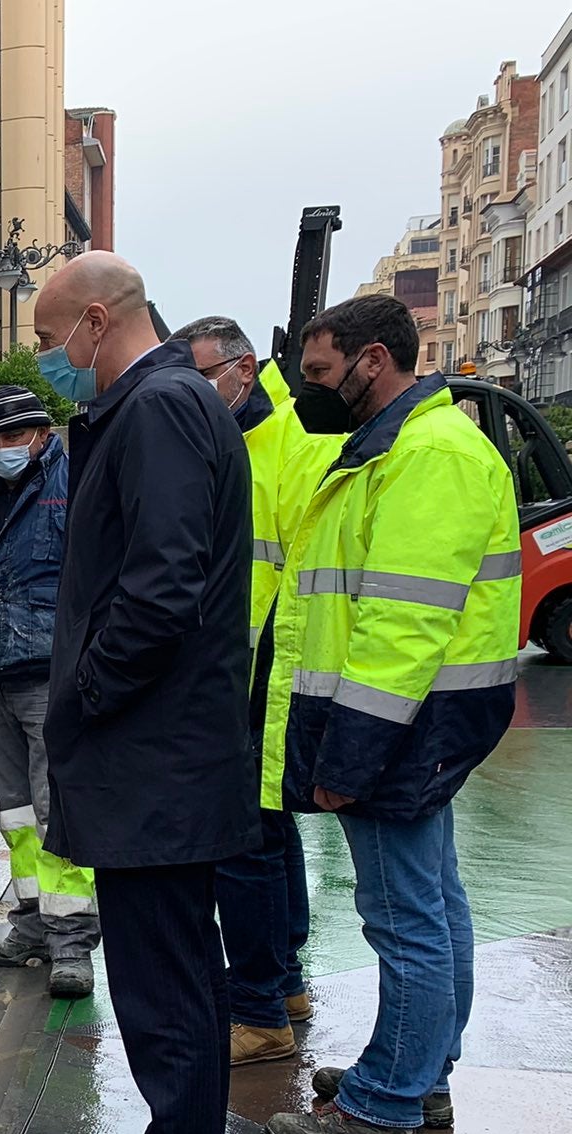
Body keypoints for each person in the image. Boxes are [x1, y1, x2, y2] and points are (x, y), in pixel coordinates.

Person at [29, 252, 257, 1134]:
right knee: (174, 976)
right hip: (162, 750)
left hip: (151, 754)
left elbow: (157, 589)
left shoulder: (158, 408)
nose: (48, 365)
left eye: (47, 343)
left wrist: (83, 694)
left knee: (165, 985)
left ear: (91, 318)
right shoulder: (158, 406)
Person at [261, 294, 520, 1134]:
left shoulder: (427, 456)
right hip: (422, 716)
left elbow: (401, 623)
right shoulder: (397, 451)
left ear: (375, 361)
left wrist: (351, 754)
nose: (310, 392)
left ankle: (386, 1104)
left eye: (323, 373)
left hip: (402, 722)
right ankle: (418, 1069)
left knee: (403, 913)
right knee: (434, 903)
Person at [172, 316, 343, 1067]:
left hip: (270, 676)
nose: (197, 393)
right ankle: (287, 984)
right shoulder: (235, 440)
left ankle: (259, 1007)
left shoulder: (289, 446)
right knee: (270, 839)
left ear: (244, 369)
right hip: (244, 672)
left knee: (245, 845)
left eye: (205, 377)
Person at [0, 384, 98, 999]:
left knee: (57, 809)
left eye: (16, 436)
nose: (5, 448)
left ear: (41, 434)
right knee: (17, 814)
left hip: (52, 674)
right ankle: (31, 925)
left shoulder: (74, 485)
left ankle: (72, 944)